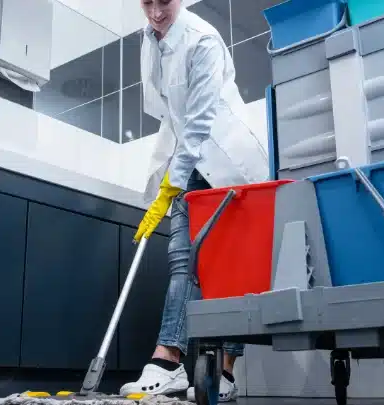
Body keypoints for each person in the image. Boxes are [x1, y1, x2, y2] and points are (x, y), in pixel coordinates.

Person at [119, 0, 268, 401]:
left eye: (162, 1)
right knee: (182, 260)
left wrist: (174, 180)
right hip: (189, 158)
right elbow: (171, 115)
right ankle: (168, 361)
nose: (155, 13)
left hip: (227, 162)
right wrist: (162, 182)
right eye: (146, 3)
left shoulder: (202, 40)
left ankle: (226, 373)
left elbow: (200, 120)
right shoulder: (149, 40)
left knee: (229, 270)